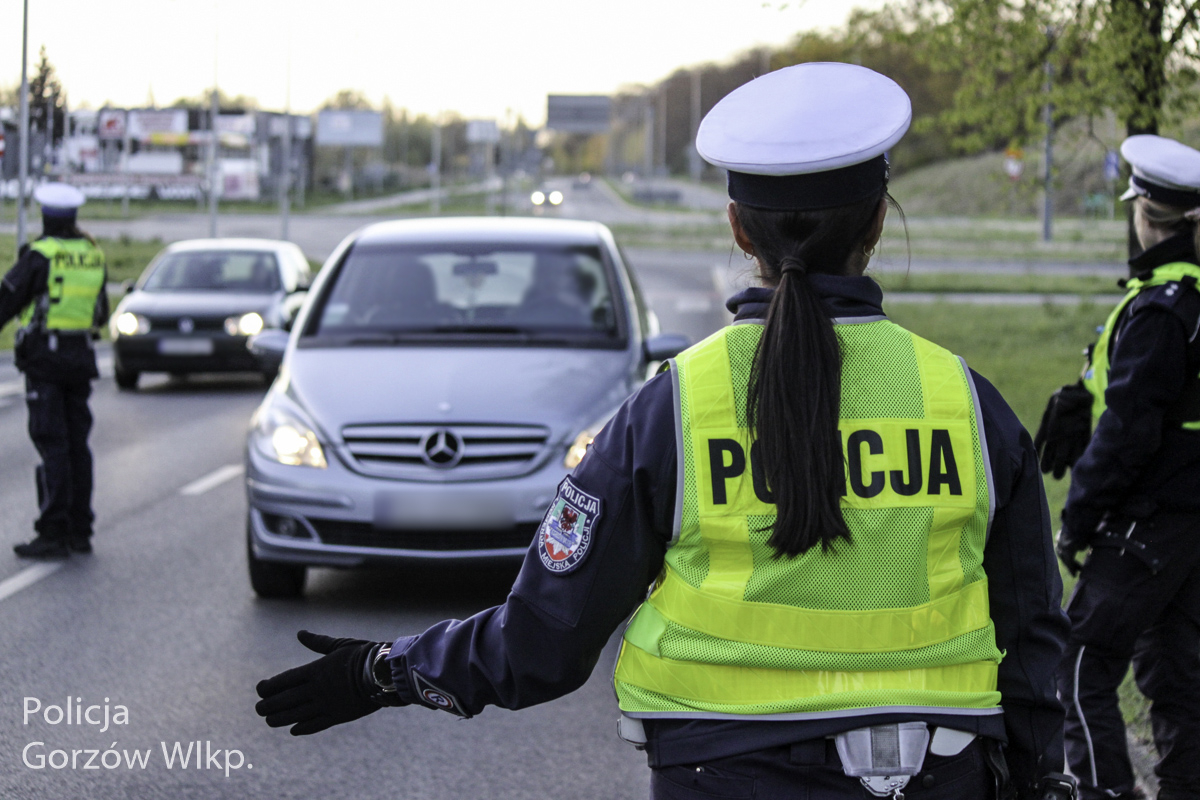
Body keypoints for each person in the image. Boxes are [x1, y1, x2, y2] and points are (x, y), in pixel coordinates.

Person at [256, 64, 1073, 800]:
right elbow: (1035, 632)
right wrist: (1044, 773)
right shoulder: (967, 403)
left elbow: (542, 638)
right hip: (939, 770)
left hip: (721, 776)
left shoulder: (672, 408)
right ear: (877, 224)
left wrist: (384, 673)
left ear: (739, 230)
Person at [1050, 135, 1200, 800]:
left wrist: (1077, 519)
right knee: (1176, 679)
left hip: (1147, 522)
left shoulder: (1163, 310)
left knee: (1079, 666)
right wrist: (1084, 393)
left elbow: (1131, 433)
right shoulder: (1186, 302)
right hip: (1188, 526)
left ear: (1144, 213)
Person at [0, 183, 109, 559]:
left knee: (53, 444)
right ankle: (81, 530)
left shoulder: (40, 255)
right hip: (80, 359)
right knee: (78, 446)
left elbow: (6, 300)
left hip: (45, 363)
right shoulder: (92, 255)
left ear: (45, 217)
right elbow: (102, 313)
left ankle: (53, 531)